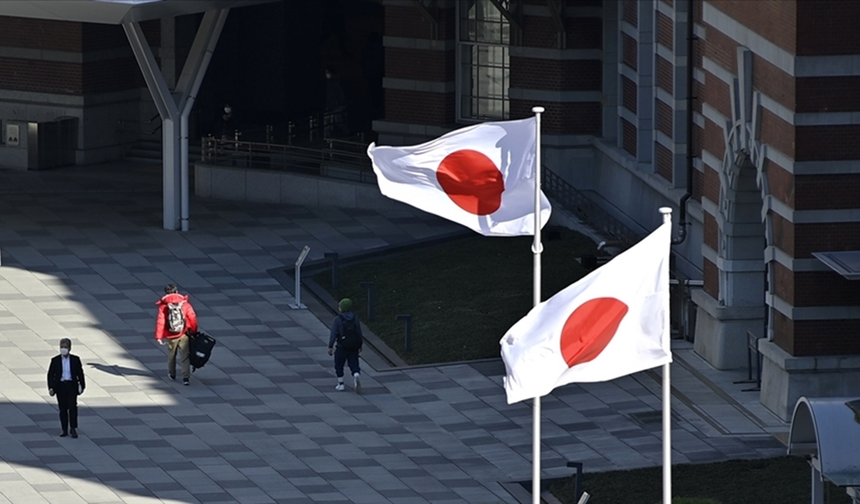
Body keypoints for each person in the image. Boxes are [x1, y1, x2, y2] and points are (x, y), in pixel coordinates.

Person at [155, 284, 198, 386]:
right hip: (184, 334)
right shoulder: (185, 304)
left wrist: (159, 337)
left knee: (171, 355)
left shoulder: (164, 306)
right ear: (177, 291)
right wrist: (194, 332)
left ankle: (172, 374)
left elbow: (160, 322)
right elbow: (192, 318)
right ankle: (186, 378)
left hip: (170, 335)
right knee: (184, 356)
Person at [47, 338, 85, 438]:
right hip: (60, 386)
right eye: (62, 347)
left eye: (65, 347)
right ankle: (64, 429)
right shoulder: (55, 360)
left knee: (72, 407)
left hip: (71, 386)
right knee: (62, 408)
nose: (63, 349)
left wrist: (82, 386)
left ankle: (73, 428)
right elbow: (51, 375)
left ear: (70, 348)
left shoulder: (75, 360)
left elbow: (80, 374)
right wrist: (51, 387)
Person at [328, 298, 363, 392]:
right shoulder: (355, 318)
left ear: (341, 308)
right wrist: (360, 344)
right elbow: (359, 332)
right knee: (353, 362)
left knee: (339, 364)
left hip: (342, 345)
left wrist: (330, 346)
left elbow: (333, 334)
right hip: (354, 345)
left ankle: (341, 383)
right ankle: (356, 374)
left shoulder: (338, 319)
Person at [324, 66, 349, 137]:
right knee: (329, 122)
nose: (326, 74)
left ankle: (348, 133)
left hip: (336, 106)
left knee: (338, 121)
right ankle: (328, 137)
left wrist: (341, 104)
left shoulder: (335, 83)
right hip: (331, 106)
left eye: (328, 72)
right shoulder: (330, 83)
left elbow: (339, 95)